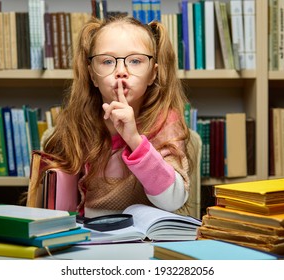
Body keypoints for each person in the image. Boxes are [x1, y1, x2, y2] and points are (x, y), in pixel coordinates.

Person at [43, 15, 192, 218]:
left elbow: (173, 201)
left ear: (153, 74)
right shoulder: (79, 121)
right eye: (106, 61)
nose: (121, 71)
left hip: (148, 238)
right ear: (92, 75)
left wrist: (134, 140)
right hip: (91, 235)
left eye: (136, 61)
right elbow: (60, 207)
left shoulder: (165, 121)